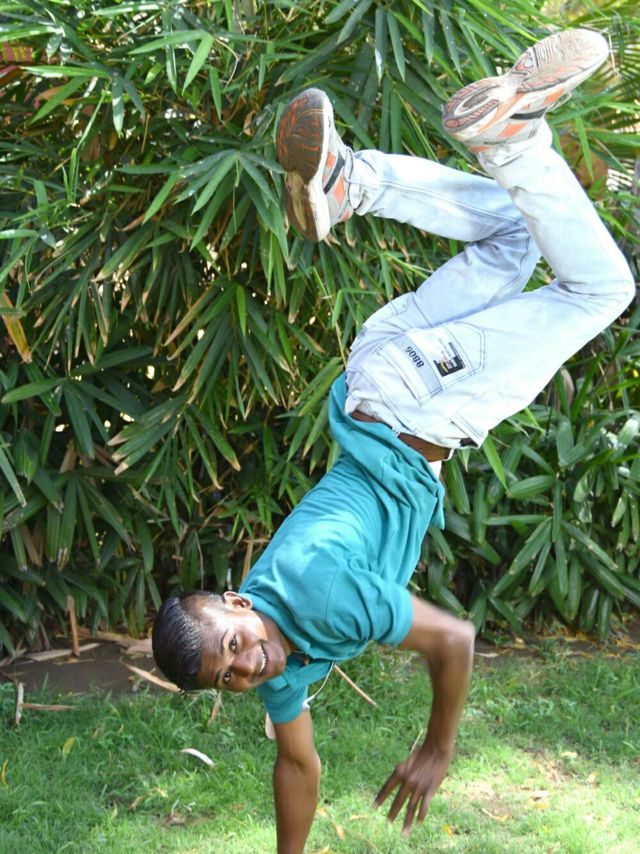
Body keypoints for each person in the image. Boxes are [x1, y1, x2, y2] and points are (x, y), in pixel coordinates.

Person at [152, 28, 635, 852]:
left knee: (600, 288)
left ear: (239, 602)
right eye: (228, 678)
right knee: (518, 233)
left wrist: (436, 748)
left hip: (423, 407)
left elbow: (452, 640)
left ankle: (509, 143)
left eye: (235, 648)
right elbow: (296, 765)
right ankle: (354, 180)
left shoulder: (318, 598)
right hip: (378, 373)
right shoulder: (280, 652)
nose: (248, 667)